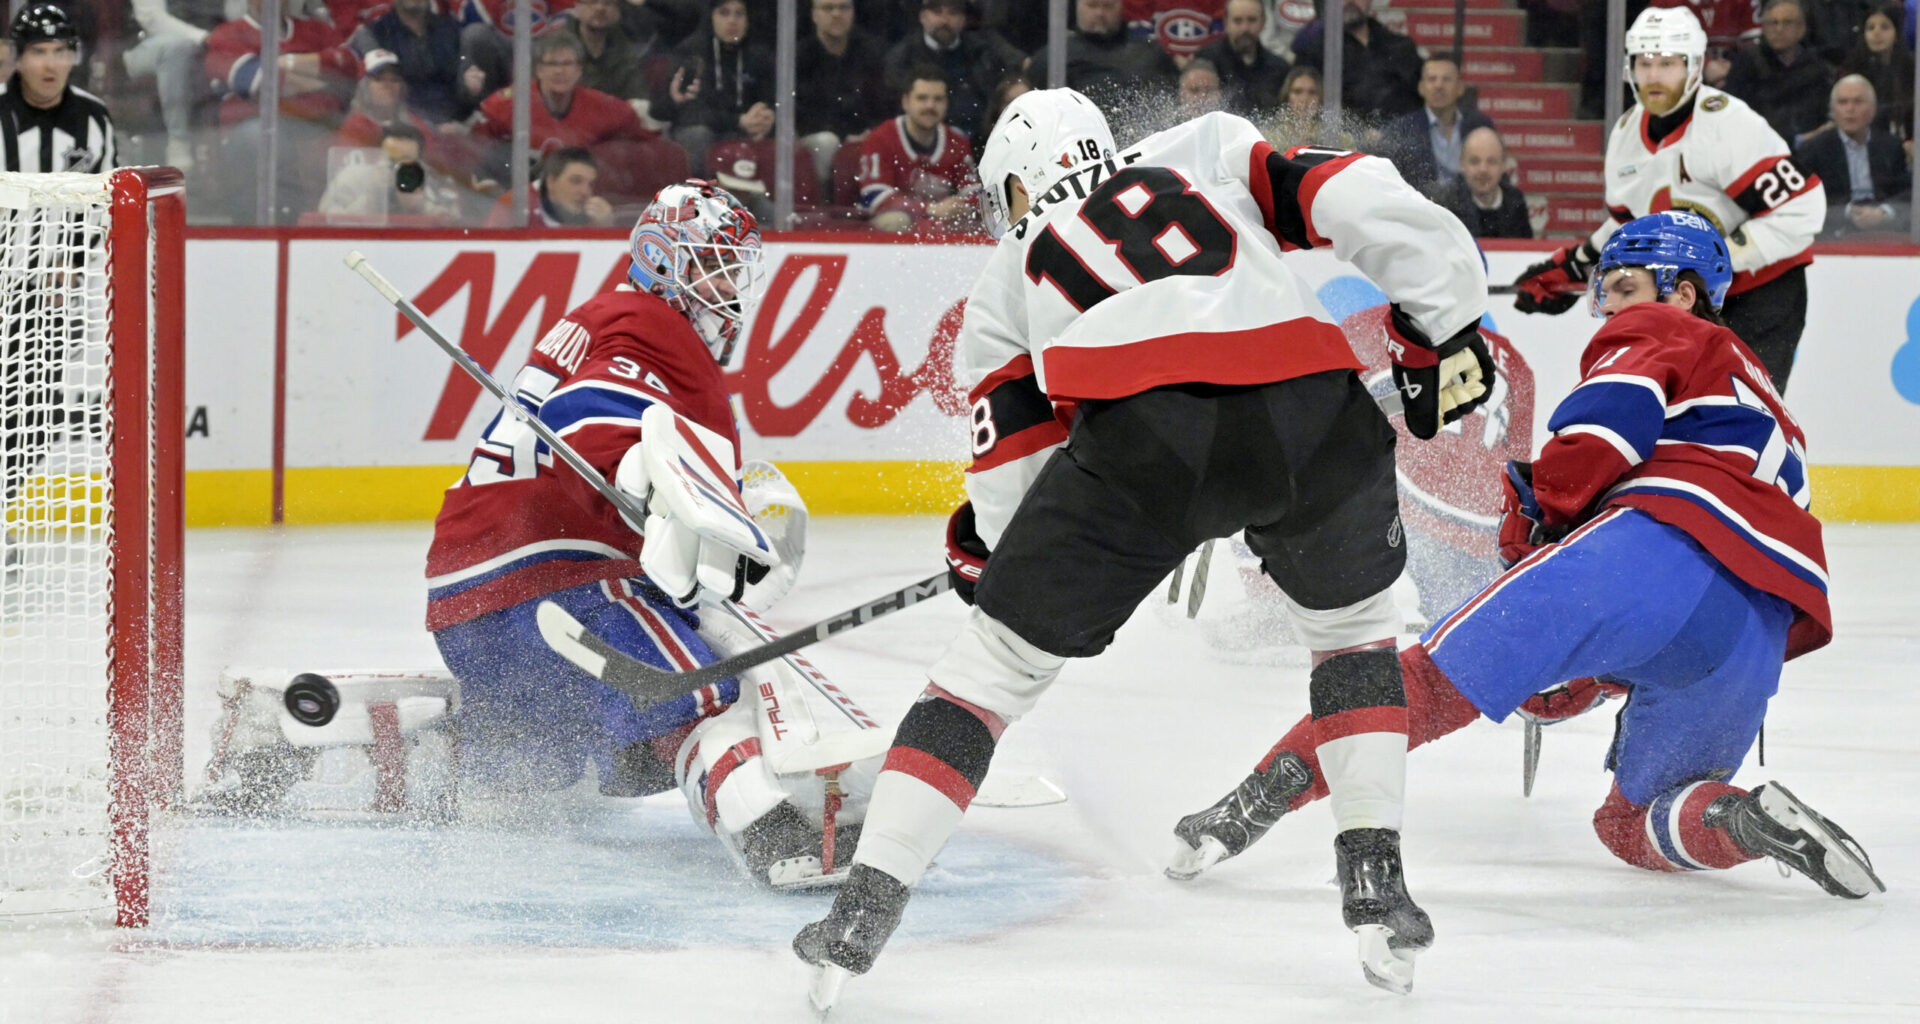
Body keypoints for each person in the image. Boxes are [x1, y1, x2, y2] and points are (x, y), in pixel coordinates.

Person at [793, 88, 1496, 1008]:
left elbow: (1013, 474)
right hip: (1312, 409)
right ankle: (1376, 883)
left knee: (992, 670)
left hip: (1146, 446)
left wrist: (993, 562)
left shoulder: (1008, 271)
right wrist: (1439, 321)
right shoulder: (1202, 151)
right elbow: (1362, 191)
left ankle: (865, 908)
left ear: (1014, 187)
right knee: (1356, 635)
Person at [1167, 210, 1884, 908]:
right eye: (1605, 291)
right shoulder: (1770, 401)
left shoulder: (1664, 326)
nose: (1611, 308)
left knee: (1419, 683)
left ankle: (1248, 805)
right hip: (1754, 633)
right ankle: (1745, 822)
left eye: (1626, 286)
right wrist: (1600, 669)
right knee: (1632, 824)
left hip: (1658, 550)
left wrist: (1545, 510)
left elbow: (1601, 436)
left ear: (1684, 292)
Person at [426, 180, 861, 884]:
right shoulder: (651, 323)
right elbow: (585, 420)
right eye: (715, 264)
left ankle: (419, 760)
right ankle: (774, 836)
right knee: (696, 689)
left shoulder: (600, 319)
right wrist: (636, 479)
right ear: (666, 261)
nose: (729, 285)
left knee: (538, 767)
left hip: (469, 606)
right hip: (563, 583)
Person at [1511, 5, 1823, 394]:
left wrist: (1719, 258)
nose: (1654, 76)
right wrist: (1574, 266)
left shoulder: (1728, 125)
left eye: (1668, 64)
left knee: (1741, 410)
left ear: (1694, 66)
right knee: (1673, 406)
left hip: (1760, 294)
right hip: (1687, 295)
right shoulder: (1626, 134)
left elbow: (1803, 206)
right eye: (1644, 63)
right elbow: (1630, 224)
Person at [205, 0, 365, 222]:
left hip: (318, 123)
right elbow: (259, 82)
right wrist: (320, 76)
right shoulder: (227, 35)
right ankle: (268, 229)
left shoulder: (316, 30)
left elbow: (349, 64)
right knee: (259, 138)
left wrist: (286, 63)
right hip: (257, 125)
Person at [650, 0, 775, 176]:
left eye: (739, 14)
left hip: (742, 130)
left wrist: (766, 117)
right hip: (701, 130)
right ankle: (702, 197)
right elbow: (692, 111)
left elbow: (774, 98)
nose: (732, 21)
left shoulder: (759, 55)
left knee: (784, 137)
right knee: (697, 134)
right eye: (724, 13)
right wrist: (738, 121)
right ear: (711, 18)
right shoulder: (691, 52)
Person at [855, 67, 978, 233]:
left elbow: (974, 191)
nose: (930, 106)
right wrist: (929, 208)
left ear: (946, 103)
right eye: (922, 98)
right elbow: (873, 198)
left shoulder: (958, 142)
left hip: (942, 218)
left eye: (938, 99)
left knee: (973, 221)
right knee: (897, 221)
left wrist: (962, 206)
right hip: (897, 220)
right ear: (905, 102)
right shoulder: (880, 139)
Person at [882, 0, 1023, 141]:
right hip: (922, 141)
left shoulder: (983, 54)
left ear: (963, 19)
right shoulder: (900, 59)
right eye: (937, 12)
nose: (945, 20)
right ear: (922, 16)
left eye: (953, 13)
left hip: (979, 141)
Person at [1, 3, 115, 173]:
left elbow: (111, 193)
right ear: (17, 59)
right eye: (38, 52)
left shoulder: (94, 115)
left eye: (60, 51)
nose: (51, 65)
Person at [1795, 74, 1912, 237]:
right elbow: (1805, 199)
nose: (1850, 109)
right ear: (1833, 111)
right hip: (1834, 228)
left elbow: (1907, 190)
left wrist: (1884, 212)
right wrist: (1847, 212)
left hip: (1883, 225)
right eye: (1843, 102)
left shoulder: (1890, 145)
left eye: (1858, 102)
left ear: (1872, 111)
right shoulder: (1814, 149)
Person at [795, 0, 892, 192]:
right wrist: (843, 136)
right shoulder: (800, 55)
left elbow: (883, 102)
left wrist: (871, 131)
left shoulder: (871, 52)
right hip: (813, 136)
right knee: (827, 142)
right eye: (828, 8)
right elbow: (800, 113)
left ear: (853, 13)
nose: (836, 14)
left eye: (843, 7)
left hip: (861, 133)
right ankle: (823, 203)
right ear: (814, 15)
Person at [1024, 0, 1179, 115]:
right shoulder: (1053, 57)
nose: (1099, 13)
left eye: (1108, 6)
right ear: (1078, 6)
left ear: (1120, 7)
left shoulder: (1150, 53)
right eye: (1092, 5)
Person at [1722, 0, 1836, 147]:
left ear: (1801, 28)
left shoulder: (1817, 67)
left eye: (1787, 23)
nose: (1779, 29)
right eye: (1773, 23)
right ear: (1763, 27)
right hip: (1759, 147)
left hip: (1810, 149)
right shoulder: (1747, 62)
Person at [1289, 0, 1421, 124]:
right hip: (1341, 142)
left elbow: (1418, 101)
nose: (1350, 1)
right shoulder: (1314, 53)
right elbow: (1304, 107)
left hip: (1400, 139)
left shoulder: (1400, 46)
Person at [1379, 57, 1494, 196]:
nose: (1439, 85)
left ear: (1460, 88)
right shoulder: (1401, 130)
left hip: (1471, 212)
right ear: (1421, 88)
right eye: (1432, 79)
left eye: (1446, 79)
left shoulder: (1480, 126)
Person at [347, 0, 466, 125]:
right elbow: (360, 86)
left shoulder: (452, 30)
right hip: (400, 126)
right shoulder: (374, 34)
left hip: (455, 126)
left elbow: (466, 78)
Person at [316, 121, 460, 221]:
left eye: (406, 160)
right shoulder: (353, 177)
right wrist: (374, 195)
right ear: (378, 155)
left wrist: (418, 208)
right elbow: (325, 220)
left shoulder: (433, 182)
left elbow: (452, 224)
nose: (398, 168)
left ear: (420, 161)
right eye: (392, 160)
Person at [1192, 0, 1290, 115]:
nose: (1245, 28)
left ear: (1263, 22)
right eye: (1237, 21)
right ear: (1226, 22)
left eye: (1252, 20)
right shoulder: (1207, 60)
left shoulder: (1279, 68)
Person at [1435, 126, 1532, 239]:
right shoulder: (1448, 203)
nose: (1483, 169)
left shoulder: (1515, 202)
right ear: (1462, 164)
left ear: (1504, 165)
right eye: (1475, 161)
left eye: (1491, 161)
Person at [487, 145, 620, 225]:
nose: (585, 191)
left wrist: (605, 225)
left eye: (590, 184)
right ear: (551, 182)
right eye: (575, 181)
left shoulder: (595, 214)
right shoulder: (515, 204)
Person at [1838, 3, 1915, 133]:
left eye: (1884, 27)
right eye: (1870, 28)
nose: (1876, 33)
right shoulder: (1852, 70)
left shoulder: (1912, 69)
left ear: (1897, 34)